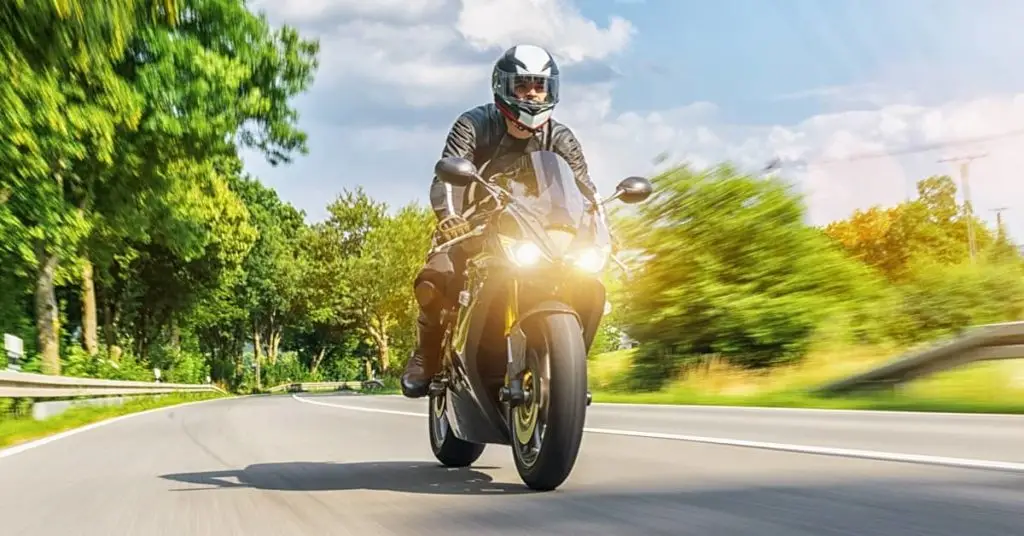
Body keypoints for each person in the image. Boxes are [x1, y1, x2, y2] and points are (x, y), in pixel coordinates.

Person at [400, 43, 608, 399]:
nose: (531, 93)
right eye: (523, 85)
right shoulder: (475, 123)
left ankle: (569, 370)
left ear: (551, 89)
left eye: (539, 85)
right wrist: (451, 219)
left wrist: (600, 226)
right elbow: (448, 176)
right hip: (478, 224)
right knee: (435, 279)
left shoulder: (560, 137)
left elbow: (584, 189)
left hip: (541, 231)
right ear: (503, 86)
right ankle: (428, 352)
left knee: (588, 281)